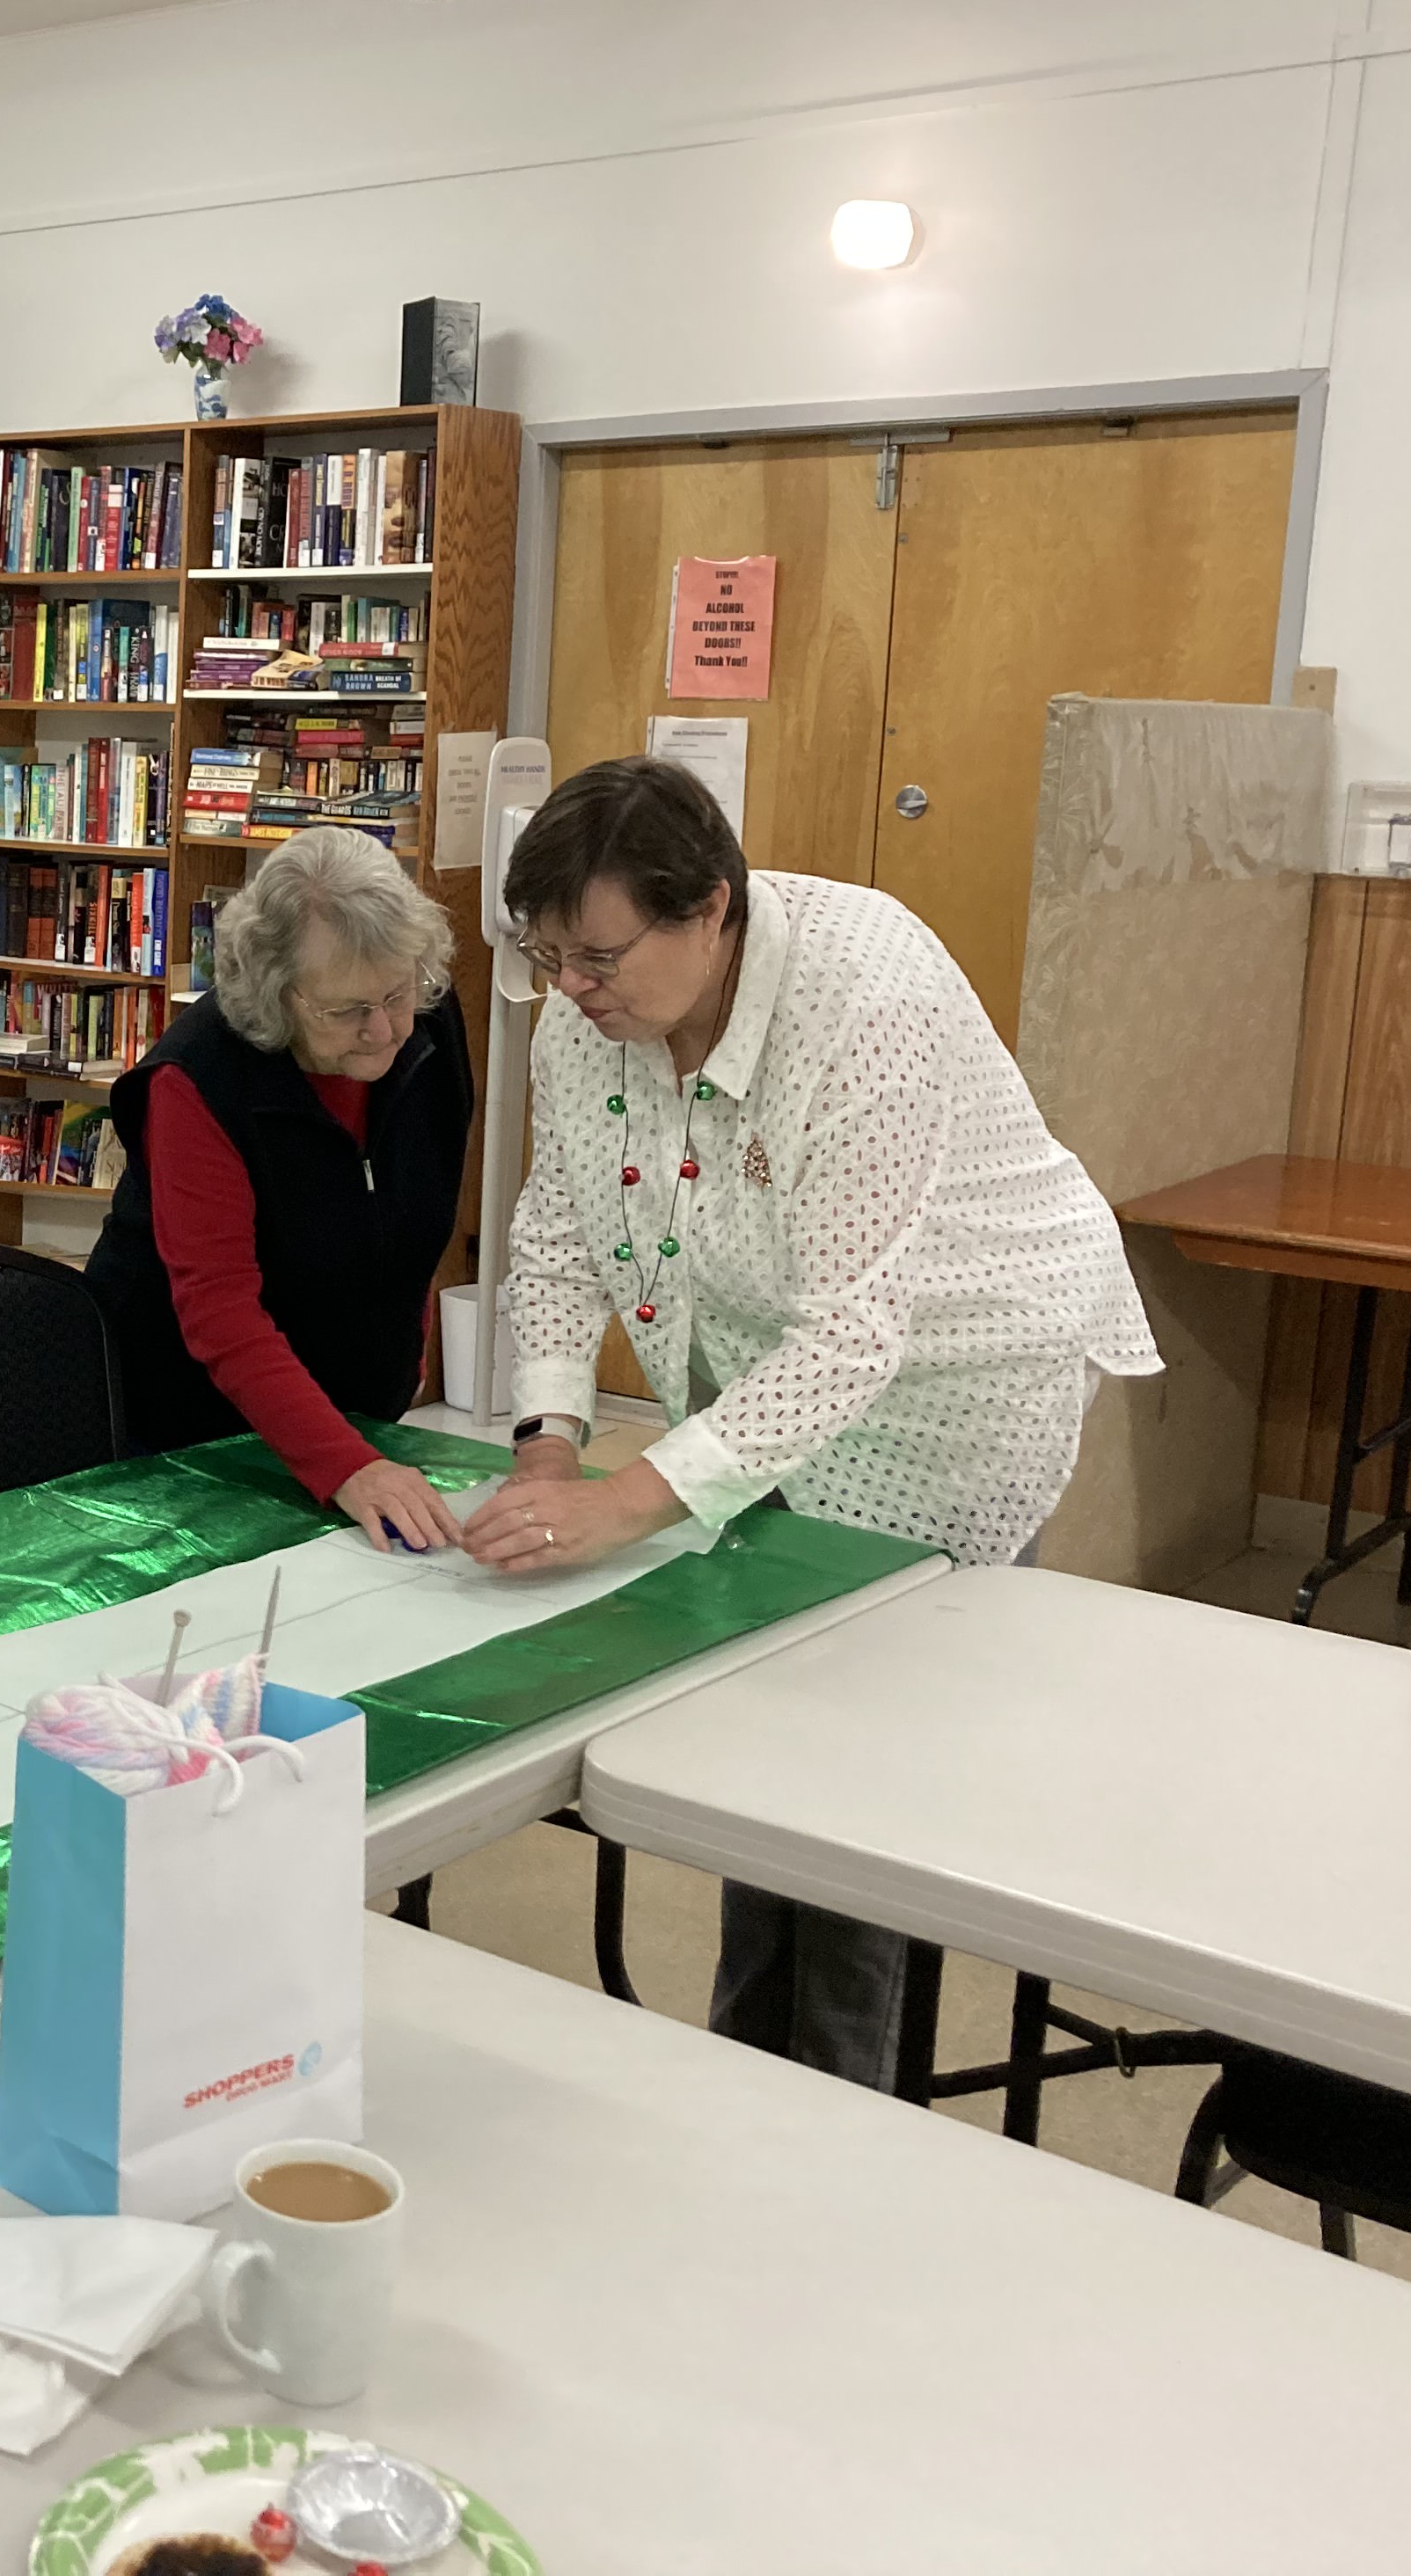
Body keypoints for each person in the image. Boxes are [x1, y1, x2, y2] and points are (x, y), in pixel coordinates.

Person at [468, 754, 1156, 2086]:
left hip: (957, 1377)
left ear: (710, 909)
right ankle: (752, 2071)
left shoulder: (863, 1000)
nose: (572, 989)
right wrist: (549, 1447)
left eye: (598, 956)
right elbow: (557, 1231)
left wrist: (624, 1503)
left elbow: (852, 1335)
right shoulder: (587, 1015)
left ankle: (839, 2105)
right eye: (549, 956)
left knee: (863, 1778)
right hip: (772, 1368)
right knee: (771, 1750)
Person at [86, 826, 476, 1549]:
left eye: (397, 992)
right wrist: (347, 1465)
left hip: (349, 1423)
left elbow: (408, 1213)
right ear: (276, 992)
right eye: (346, 1010)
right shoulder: (197, 1081)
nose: (385, 1029)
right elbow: (221, 1313)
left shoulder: (425, 1019)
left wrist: (395, 1374)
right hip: (186, 1438)